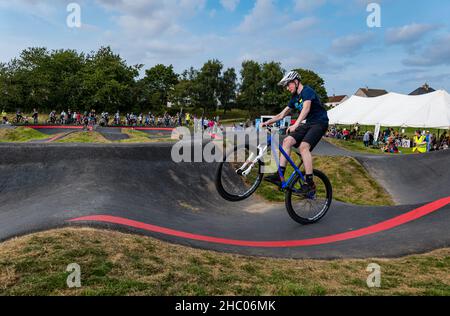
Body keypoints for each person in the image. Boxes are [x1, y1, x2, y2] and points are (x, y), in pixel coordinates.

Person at [261, 70, 329, 194]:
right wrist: (267, 122)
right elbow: (282, 114)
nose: (287, 88)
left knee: (304, 147)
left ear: (296, 82)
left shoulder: (307, 91)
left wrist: (296, 124)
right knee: (287, 141)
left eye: (288, 84)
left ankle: (309, 183)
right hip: (308, 124)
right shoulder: (294, 98)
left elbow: (306, 108)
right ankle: (279, 175)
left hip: (320, 122)